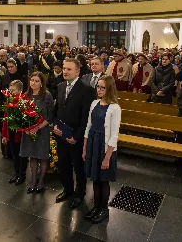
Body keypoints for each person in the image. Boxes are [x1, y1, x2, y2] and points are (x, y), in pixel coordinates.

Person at [53, 58, 95, 209]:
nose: (65, 71)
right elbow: (57, 110)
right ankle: (68, 189)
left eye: (69, 69)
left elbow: (86, 117)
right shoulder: (60, 86)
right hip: (62, 134)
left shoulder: (87, 89)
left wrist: (76, 136)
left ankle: (80, 193)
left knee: (79, 167)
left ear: (78, 71)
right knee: (63, 164)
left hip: (76, 137)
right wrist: (55, 125)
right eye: (64, 68)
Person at [82, 75, 121, 224]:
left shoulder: (115, 108)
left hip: (104, 148)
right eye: (98, 87)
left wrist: (107, 158)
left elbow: (114, 135)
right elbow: (88, 127)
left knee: (103, 181)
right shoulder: (94, 103)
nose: (99, 89)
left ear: (109, 89)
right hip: (92, 144)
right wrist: (85, 148)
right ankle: (96, 206)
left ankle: (104, 209)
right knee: (95, 178)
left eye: (102, 87)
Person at [20, 72, 54, 194]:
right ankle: (33, 180)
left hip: (41, 130)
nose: (33, 83)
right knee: (32, 156)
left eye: (37, 81)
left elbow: (50, 117)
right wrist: (26, 127)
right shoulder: (26, 95)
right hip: (28, 131)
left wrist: (37, 127)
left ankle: (41, 180)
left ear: (42, 83)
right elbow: (22, 115)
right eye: (32, 80)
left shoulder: (47, 96)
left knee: (42, 156)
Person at [1, 80, 28, 185]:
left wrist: (20, 125)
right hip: (11, 132)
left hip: (21, 134)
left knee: (22, 155)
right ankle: (16, 173)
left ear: (20, 90)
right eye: (10, 90)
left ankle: (22, 175)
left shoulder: (24, 101)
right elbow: (5, 119)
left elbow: (27, 119)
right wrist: (4, 135)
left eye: (13, 90)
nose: (11, 92)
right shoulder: (9, 101)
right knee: (14, 154)